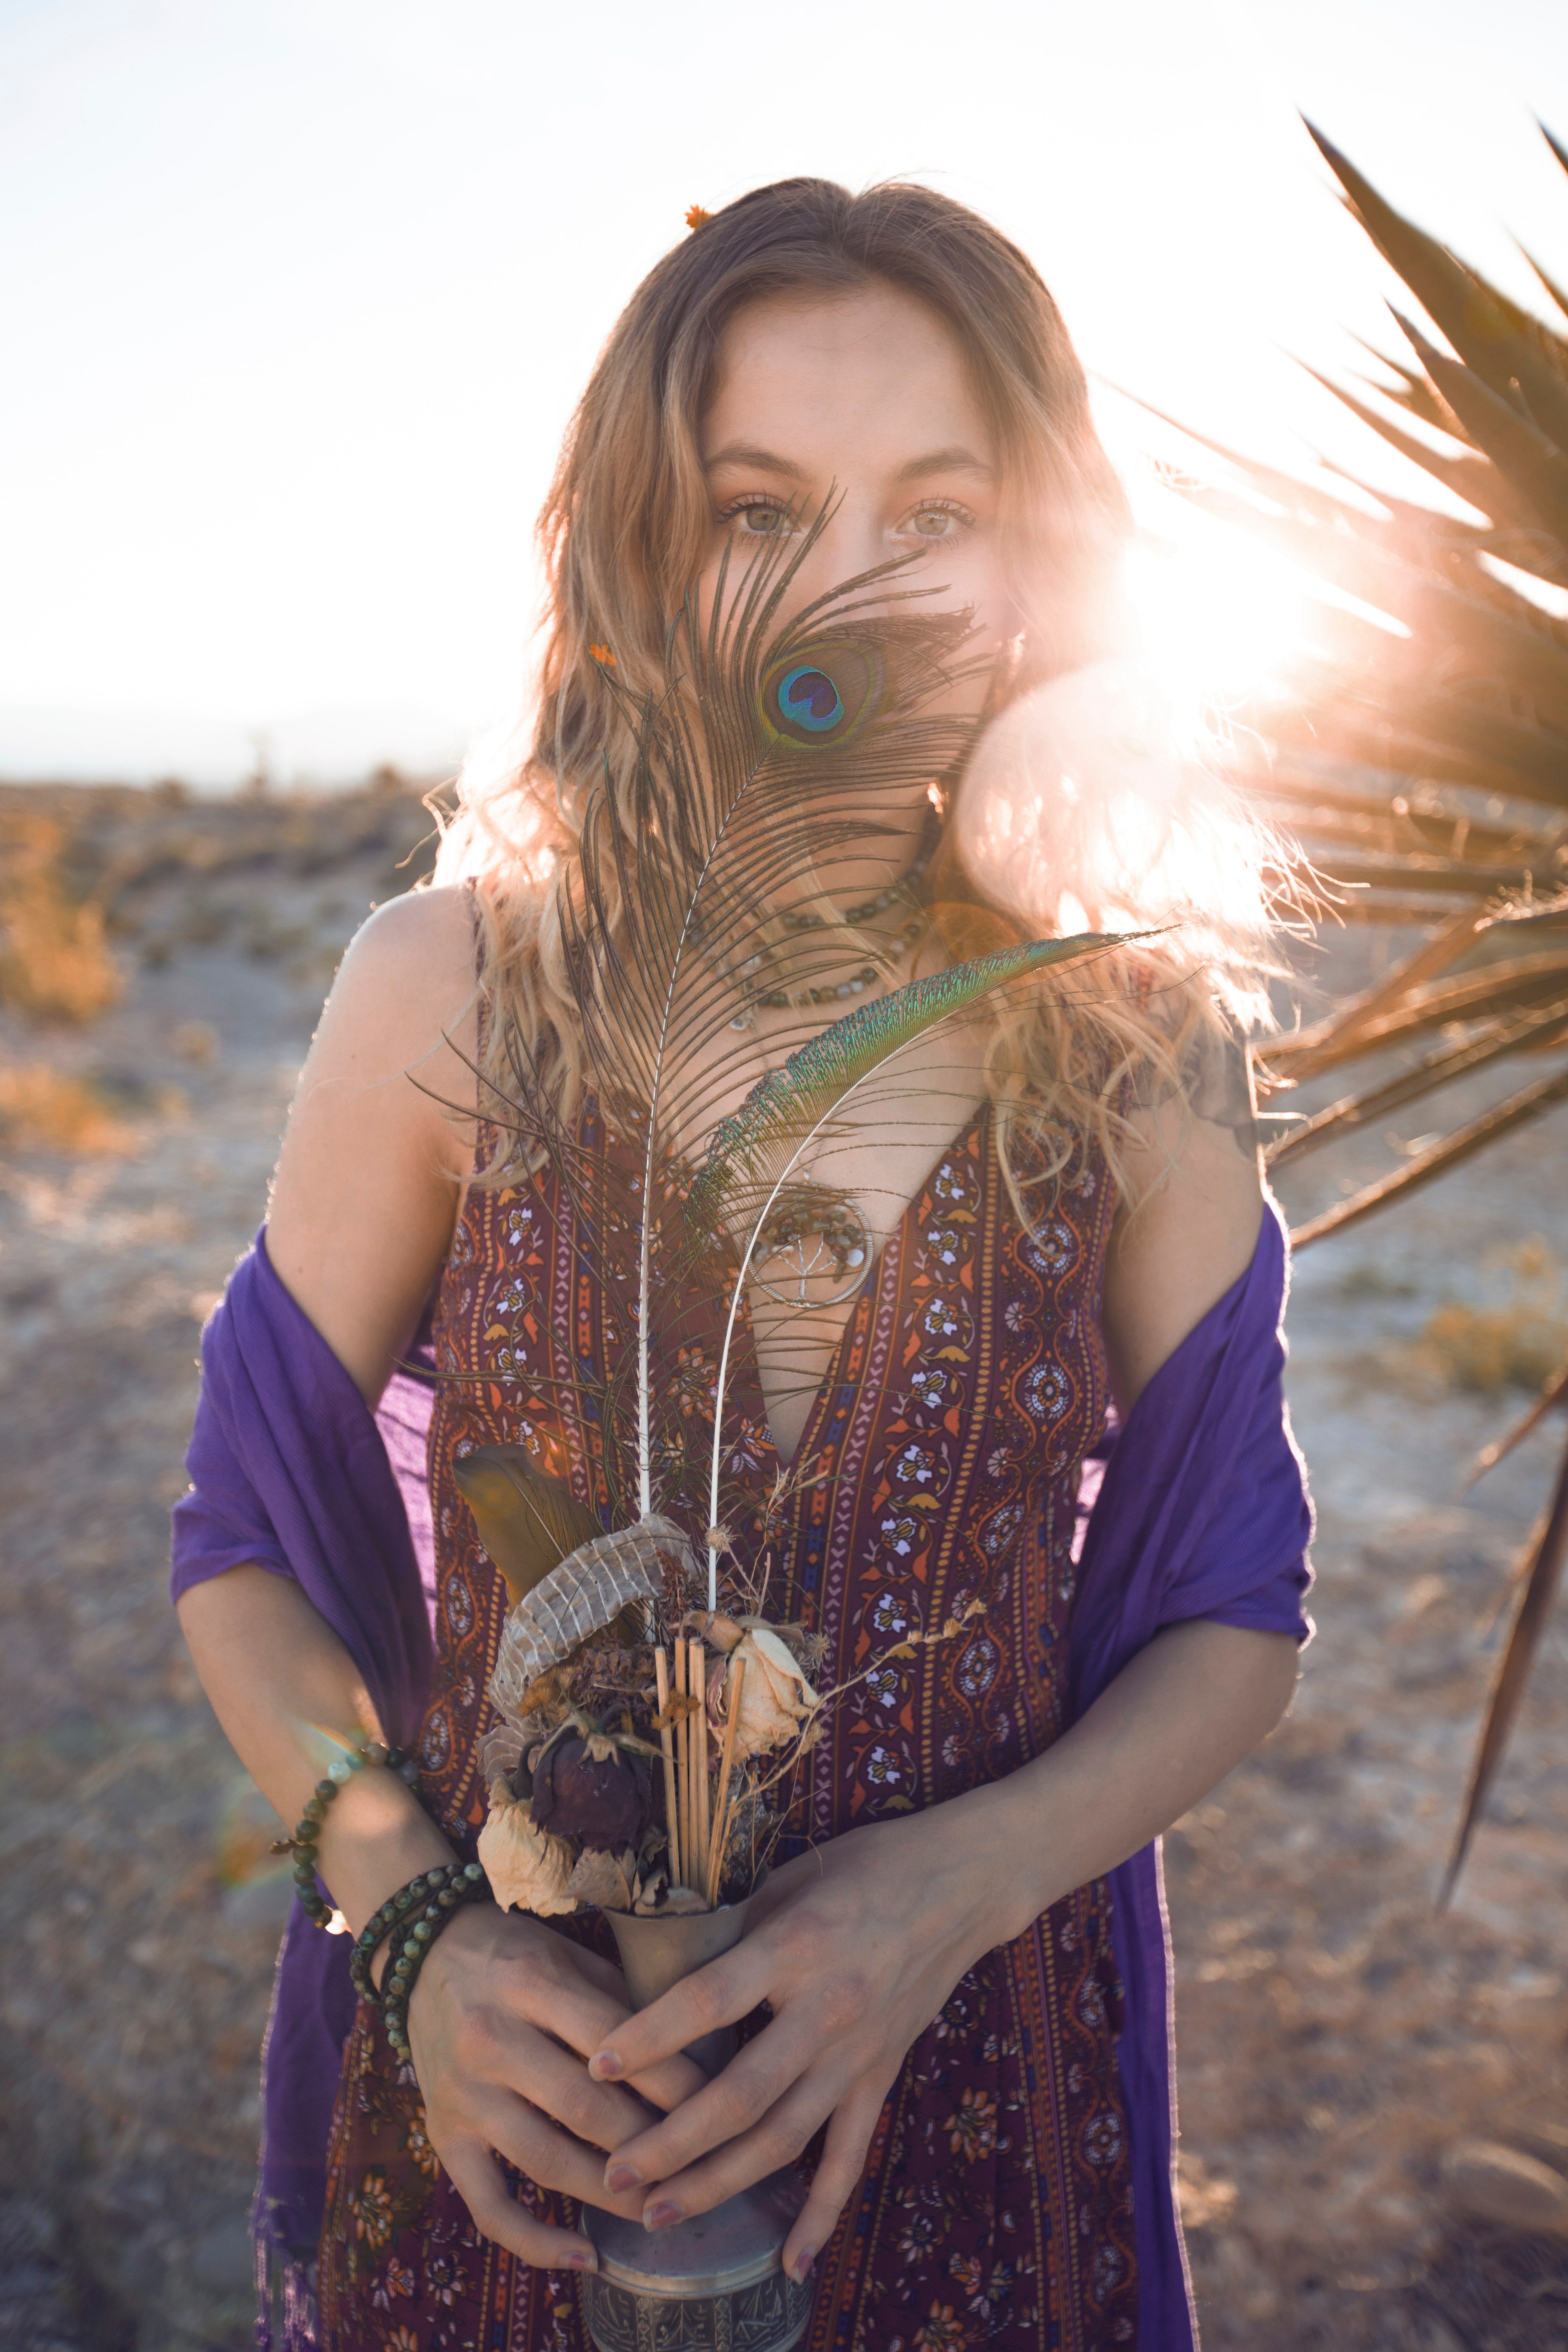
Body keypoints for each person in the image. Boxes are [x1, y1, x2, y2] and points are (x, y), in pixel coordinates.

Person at [173, 178, 1311, 2352]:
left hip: (990, 2091)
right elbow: (248, 1553)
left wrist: (945, 1894)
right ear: (637, 560)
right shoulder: (452, 995)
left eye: (937, 508)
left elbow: (1227, 1617)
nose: (849, 593)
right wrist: (411, 1924)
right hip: (515, 2133)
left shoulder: (1141, 1042)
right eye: (756, 506)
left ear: (1040, 554)